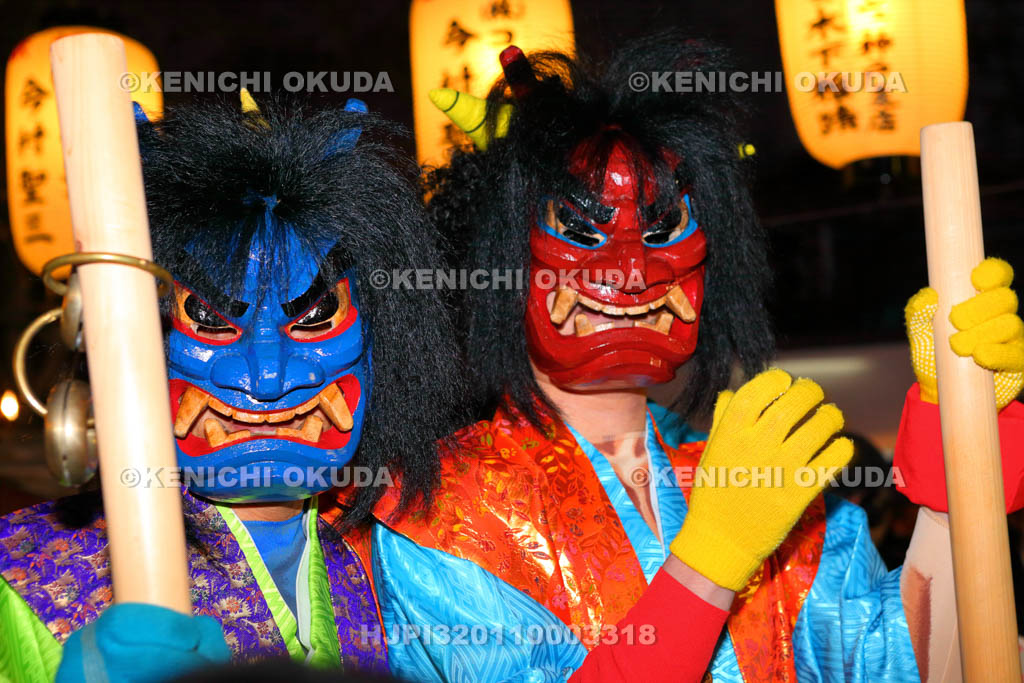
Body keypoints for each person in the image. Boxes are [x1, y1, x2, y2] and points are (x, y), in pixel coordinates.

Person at [345, 35, 1024, 682]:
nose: (634, 270)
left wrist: (957, 434)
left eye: (666, 228)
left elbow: (917, 664)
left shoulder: (748, 471)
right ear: (502, 255)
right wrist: (711, 560)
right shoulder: (440, 503)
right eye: (581, 229)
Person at [0, 93, 463, 682]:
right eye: (212, 320)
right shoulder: (19, 585)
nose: (269, 378)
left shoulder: (390, 572)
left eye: (318, 317)